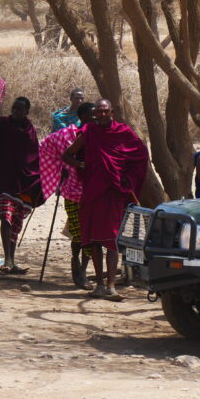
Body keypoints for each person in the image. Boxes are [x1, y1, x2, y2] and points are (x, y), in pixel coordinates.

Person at [63, 98, 149, 300]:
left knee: (111, 240)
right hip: (92, 192)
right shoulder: (89, 132)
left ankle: (110, 285)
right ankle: (99, 285)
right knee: (93, 240)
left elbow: (141, 154)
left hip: (112, 193)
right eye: (98, 112)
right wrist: (80, 165)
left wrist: (127, 176)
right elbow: (67, 155)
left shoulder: (123, 132)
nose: (101, 115)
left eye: (105, 111)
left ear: (112, 112)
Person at [38, 101, 95, 289]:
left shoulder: (100, 136)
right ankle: (75, 262)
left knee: (91, 234)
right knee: (79, 234)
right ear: (82, 117)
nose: (94, 118)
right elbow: (61, 154)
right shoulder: (72, 136)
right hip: (72, 191)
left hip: (93, 192)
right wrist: (77, 165)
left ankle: (84, 271)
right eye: (90, 115)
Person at [0, 96, 40, 274]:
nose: (15, 112)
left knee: (16, 221)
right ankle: (7, 258)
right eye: (14, 108)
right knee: (6, 216)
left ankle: (12, 260)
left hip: (22, 182)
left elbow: (34, 155)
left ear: (26, 112)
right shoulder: (3, 123)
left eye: (20, 110)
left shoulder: (30, 130)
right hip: (2, 178)